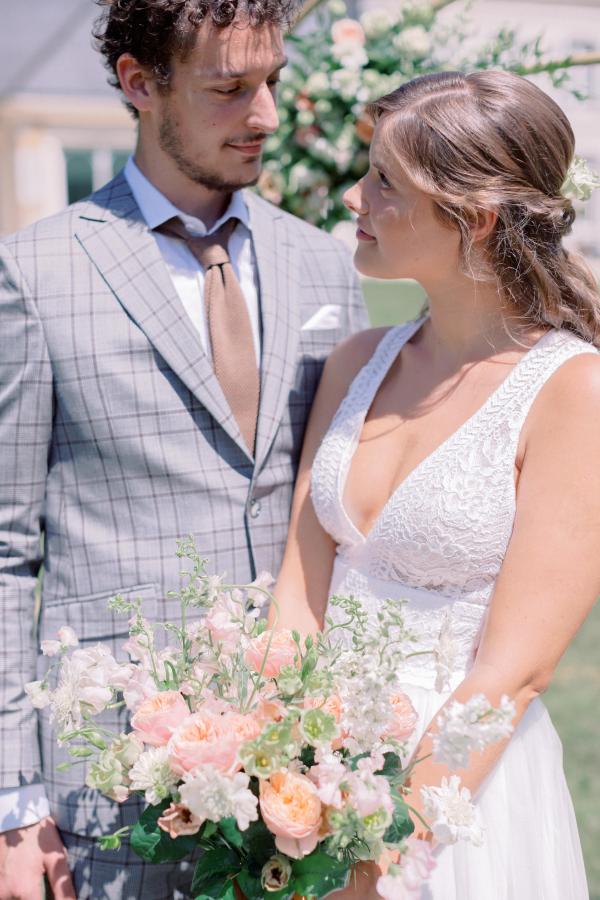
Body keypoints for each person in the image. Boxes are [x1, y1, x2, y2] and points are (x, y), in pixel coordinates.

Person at [0, 0, 368, 896]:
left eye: (273, 81)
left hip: (307, 776)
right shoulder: (34, 273)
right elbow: (6, 549)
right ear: (139, 84)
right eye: (229, 88)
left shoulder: (326, 265)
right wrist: (12, 799)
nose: (267, 115)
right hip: (117, 782)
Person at [273, 70, 600, 899]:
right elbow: (298, 595)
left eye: (385, 181)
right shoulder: (355, 364)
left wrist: (373, 855)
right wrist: (275, 785)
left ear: (476, 220)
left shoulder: (571, 392)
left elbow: (515, 674)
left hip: (458, 801)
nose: (355, 197)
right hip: (308, 791)